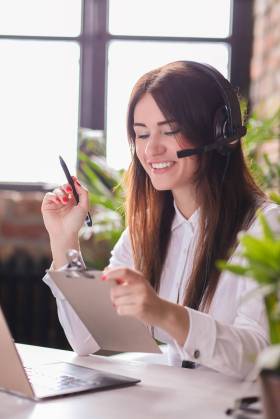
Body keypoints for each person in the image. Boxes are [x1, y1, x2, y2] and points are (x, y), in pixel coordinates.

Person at [41, 61, 280, 380]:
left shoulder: (266, 227)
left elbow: (260, 356)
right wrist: (64, 241)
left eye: (170, 131)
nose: (151, 149)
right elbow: (93, 342)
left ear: (221, 134)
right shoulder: (144, 229)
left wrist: (166, 314)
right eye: (141, 135)